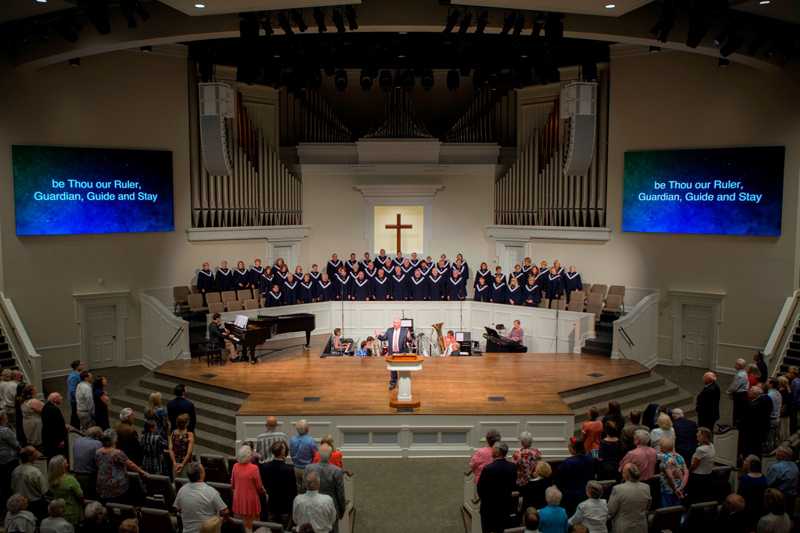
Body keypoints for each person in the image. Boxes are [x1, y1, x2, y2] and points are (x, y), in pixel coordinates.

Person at [174, 462, 228, 533]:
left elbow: (178, 509)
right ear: (202, 474)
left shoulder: (181, 490)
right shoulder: (211, 492)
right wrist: (221, 521)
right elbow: (225, 512)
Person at [95, 432, 147, 503]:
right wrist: (143, 472)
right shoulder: (117, 453)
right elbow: (131, 465)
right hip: (116, 487)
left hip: (101, 485)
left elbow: (98, 464)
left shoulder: (98, 452)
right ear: (115, 440)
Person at [477, 441, 517, 533]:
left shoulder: (488, 469)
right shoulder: (512, 467)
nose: (492, 450)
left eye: (494, 448)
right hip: (505, 507)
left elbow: (480, 489)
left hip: (488, 509)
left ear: (498, 451)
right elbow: (513, 486)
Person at [305, 443, 346, 532]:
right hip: (331, 508)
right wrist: (342, 510)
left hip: (312, 506)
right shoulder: (337, 471)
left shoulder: (308, 468)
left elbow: (304, 489)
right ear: (331, 456)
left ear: (319, 454)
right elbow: (340, 493)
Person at [259, 441, 296, 527]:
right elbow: (293, 490)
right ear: (283, 452)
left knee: (271, 528)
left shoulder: (265, 467)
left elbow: (263, 485)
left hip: (271, 504)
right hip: (285, 506)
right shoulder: (289, 469)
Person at [231, 445, 265, 532]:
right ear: (248, 456)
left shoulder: (235, 466)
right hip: (250, 501)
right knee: (252, 527)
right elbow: (259, 487)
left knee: (240, 527)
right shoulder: (254, 468)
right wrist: (264, 493)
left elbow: (233, 484)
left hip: (238, 499)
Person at [608, 464, 651, 533]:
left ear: (625, 475)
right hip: (641, 527)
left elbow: (610, 511)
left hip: (624, 528)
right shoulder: (646, 487)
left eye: (623, 472)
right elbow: (648, 507)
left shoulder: (617, 489)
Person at [557, 439, 595, 516]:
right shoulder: (591, 460)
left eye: (569, 446)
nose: (568, 448)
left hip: (570, 498)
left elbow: (559, 481)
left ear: (574, 449)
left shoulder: (567, 463)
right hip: (586, 494)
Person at [11, 446, 49, 519]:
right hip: (35, 506)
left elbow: (13, 488)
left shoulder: (15, 471)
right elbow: (44, 490)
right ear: (30, 457)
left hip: (19, 505)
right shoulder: (35, 472)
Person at [48, 455, 84, 526]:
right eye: (66, 463)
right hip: (72, 512)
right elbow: (80, 496)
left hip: (58, 512)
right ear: (61, 466)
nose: (68, 465)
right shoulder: (70, 479)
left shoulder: (51, 480)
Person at [377, 319, 412, 390]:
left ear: (400, 324)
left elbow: (410, 340)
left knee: (402, 368)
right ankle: (393, 382)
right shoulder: (389, 330)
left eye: (396, 322)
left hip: (402, 352)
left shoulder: (405, 330)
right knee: (393, 369)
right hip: (392, 352)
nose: (394, 324)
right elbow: (384, 338)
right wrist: (378, 335)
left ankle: (402, 382)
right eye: (394, 322)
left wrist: (409, 337)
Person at [765, 446, 798, 514]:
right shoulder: (795, 466)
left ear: (781, 454)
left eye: (777, 452)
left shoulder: (776, 467)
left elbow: (768, 483)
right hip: (792, 498)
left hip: (779, 498)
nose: (776, 454)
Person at [71, 426, 102, 499]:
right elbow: (100, 461)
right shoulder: (97, 443)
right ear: (97, 436)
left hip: (76, 474)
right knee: (91, 499)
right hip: (90, 477)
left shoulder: (77, 441)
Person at [739, 454, 768, 529]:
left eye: (746, 461)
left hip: (747, 509)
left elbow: (740, 495)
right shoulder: (763, 477)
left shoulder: (745, 479)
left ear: (750, 464)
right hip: (760, 508)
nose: (744, 462)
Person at [290, 419, 318, 493]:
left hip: (295, 468)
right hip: (307, 469)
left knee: (298, 490)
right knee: (308, 490)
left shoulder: (292, 440)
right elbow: (315, 455)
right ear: (307, 429)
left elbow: (291, 453)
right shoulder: (310, 441)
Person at [689, 427, 716, 503]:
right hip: (708, 475)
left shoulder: (701, 449)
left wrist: (688, 471)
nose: (696, 434)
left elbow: (694, 465)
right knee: (704, 497)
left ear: (704, 437)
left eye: (699, 434)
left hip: (698, 477)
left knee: (696, 497)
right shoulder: (711, 445)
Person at [658, 437, 687, 507]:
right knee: (677, 507)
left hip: (668, 488)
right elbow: (685, 471)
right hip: (680, 487)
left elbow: (670, 477)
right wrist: (681, 486)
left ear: (661, 448)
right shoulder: (679, 456)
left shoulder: (664, 459)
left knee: (667, 508)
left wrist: (675, 488)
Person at [0, 411, 20, 512]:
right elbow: (16, 444)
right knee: (11, 484)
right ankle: (13, 506)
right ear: (2, 419)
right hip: (9, 460)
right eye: (6, 417)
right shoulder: (5, 431)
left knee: (3, 484)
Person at [41, 392, 68, 460]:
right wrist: (61, 440)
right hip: (55, 441)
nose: (61, 398)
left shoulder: (45, 407)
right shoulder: (54, 409)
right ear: (55, 399)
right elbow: (57, 426)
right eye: (59, 396)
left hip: (48, 439)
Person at [20, 385, 43, 449]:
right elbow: (44, 411)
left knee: (31, 440)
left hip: (27, 422)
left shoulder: (23, 401)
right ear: (32, 392)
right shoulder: (33, 401)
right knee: (37, 440)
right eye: (35, 389)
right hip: (35, 423)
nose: (36, 390)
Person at [728, 358, 749, 427]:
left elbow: (735, 386)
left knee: (737, 412)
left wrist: (728, 391)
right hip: (743, 394)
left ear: (740, 366)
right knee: (739, 411)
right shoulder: (744, 373)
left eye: (736, 364)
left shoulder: (740, 375)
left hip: (739, 395)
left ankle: (735, 427)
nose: (735, 365)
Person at [66, 360, 83, 429]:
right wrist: (78, 399)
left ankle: (74, 427)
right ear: (77, 366)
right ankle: (74, 428)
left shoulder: (77, 374)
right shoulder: (74, 376)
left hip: (76, 399)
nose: (83, 366)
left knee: (75, 414)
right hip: (75, 400)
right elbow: (72, 391)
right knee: (75, 415)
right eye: (81, 365)